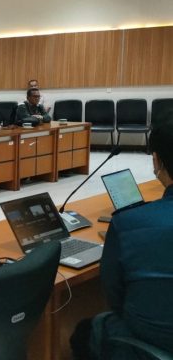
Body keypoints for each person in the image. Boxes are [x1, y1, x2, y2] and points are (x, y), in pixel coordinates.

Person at [70, 121, 173, 359]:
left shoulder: (127, 223)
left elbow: (115, 298)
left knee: (85, 332)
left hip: (152, 343)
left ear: (156, 160)